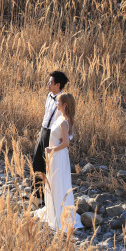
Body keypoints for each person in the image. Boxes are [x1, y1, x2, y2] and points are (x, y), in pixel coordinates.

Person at [34, 91, 83, 231]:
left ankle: (59, 214)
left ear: (64, 105)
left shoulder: (63, 121)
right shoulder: (63, 117)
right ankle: (52, 211)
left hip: (58, 155)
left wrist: (52, 149)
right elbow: (70, 136)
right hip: (57, 155)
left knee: (57, 182)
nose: (56, 104)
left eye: (58, 102)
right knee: (54, 182)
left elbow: (66, 143)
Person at [31, 71, 68, 204]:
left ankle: (48, 199)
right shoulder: (49, 96)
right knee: (36, 162)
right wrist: (41, 131)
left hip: (53, 134)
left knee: (49, 166)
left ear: (57, 85)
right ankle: (36, 195)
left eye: (50, 82)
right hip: (43, 131)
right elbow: (47, 114)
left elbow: (69, 118)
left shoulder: (64, 99)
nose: (48, 84)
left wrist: (66, 137)